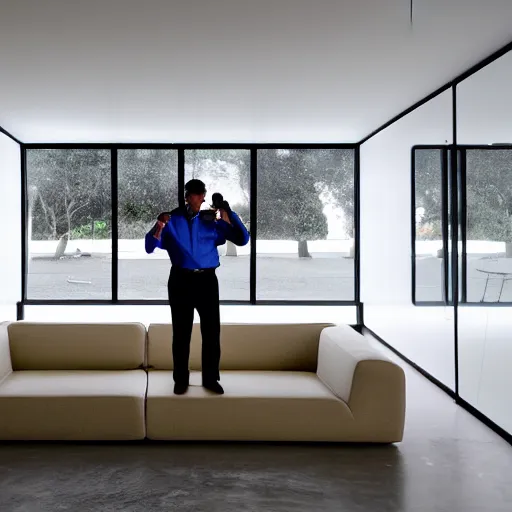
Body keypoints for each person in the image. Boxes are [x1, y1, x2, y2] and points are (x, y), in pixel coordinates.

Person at [145, 179, 250, 395]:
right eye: (197, 194)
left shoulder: (210, 220)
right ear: (187, 196)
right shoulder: (171, 219)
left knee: (211, 333)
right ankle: (180, 380)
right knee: (181, 333)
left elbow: (242, 238)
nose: (202, 198)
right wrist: (159, 225)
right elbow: (149, 246)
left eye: (203, 194)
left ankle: (210, 379)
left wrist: (226, 210)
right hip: (180, 281)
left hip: (207, 281)